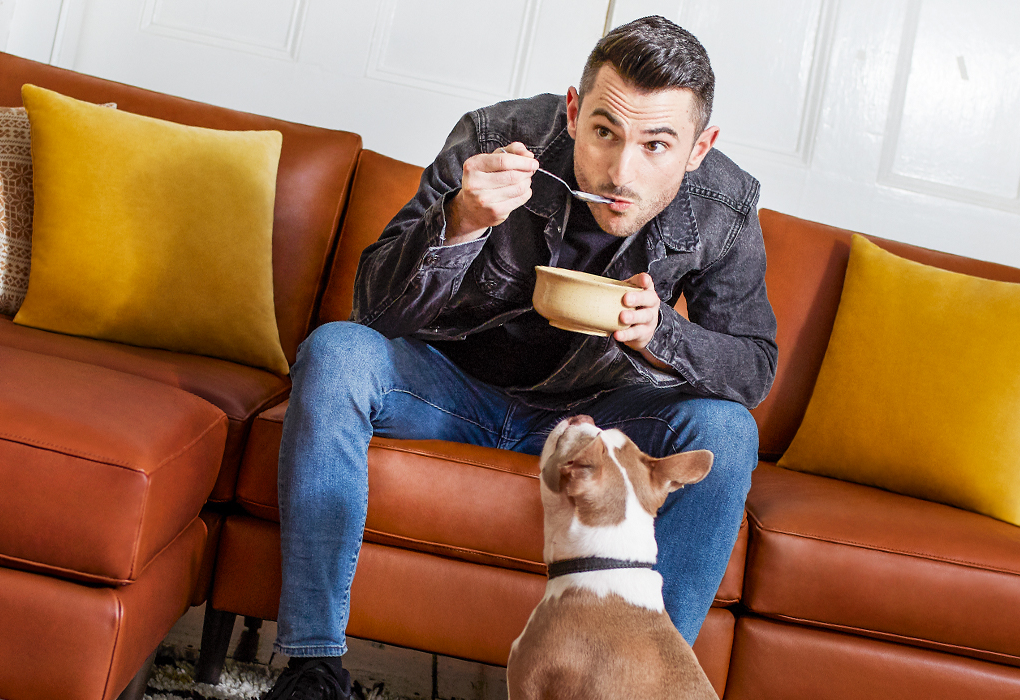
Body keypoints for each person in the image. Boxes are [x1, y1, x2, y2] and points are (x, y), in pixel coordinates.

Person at [261, 15, 777, 700]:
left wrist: (663, 334)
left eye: (657, 144)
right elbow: (375, 314)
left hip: (598, 422)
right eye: (604, 132)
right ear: (572, 111)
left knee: (728, 431)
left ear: (699, 148)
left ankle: (646, 688)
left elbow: (754, 367)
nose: (622, 171)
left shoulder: (725, 207)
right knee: (335, 351)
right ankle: (313, 670)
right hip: (450, 389)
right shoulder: (491, 139)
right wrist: (460, 223)